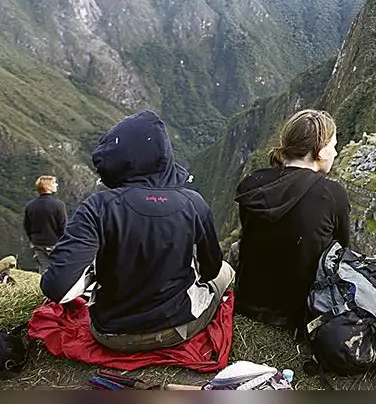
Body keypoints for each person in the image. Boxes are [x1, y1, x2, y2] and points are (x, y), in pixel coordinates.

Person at [40, 110, 232, 353]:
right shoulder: (193, 202)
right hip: (176, 329)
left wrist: (92, 274)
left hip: (111, 334)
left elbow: (57, 287)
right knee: (225, 271)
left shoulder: (97, 207)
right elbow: (210, 269)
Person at [233, 109, 352, 326]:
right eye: (333, 146)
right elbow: (341, 248)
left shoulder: (252, 184)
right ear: (321, 151)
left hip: (248, 302)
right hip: (301, 311)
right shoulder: (332, 194)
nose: (335, 152)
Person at [22, 175, 67, 274]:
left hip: (37, 243)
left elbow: (27, 226)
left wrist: (33, 238)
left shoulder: (30, 206)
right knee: (58, 270)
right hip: (54, 243)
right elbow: (62, 227)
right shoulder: (58, 205)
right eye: (54, 183)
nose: (56, 185)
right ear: (48, 187)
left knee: (44, 270)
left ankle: (45, 288)